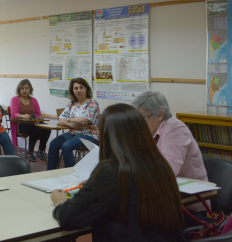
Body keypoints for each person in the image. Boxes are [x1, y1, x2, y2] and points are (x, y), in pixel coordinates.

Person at [50, 103, 184, 241]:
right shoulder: (160, 164)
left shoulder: (112, 171)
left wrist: (60, 202)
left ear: (107, 136)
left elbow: (69, 217)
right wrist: (94, 187)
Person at [131, 90, 210, 224]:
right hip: (163, 199)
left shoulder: (175, 128)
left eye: (142, 117)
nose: (138, 124)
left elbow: (167, 170)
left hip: (187, 207)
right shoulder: (150, 130)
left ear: (160, 115)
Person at [47, 78, 100, 170]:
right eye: (76, 88)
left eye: (81, 87)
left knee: (66, 146)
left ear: (86, 89)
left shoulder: (92, 103)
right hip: (73, 133)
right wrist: (74, 124)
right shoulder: (71, 104)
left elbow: (84, 122)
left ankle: (71, 174)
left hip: (90, 135)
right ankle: (50, 173)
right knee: (53, 144)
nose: (78, 90)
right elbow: (61, 120)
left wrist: (68, 119)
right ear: (73, 90)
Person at [10, 79, 51, 162]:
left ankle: (41, 150)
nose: (24, 90)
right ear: (19, 89)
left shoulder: (34, 100)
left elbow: (38, 114)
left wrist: (35, 118)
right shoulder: (15, 99)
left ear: (30, 89)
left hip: (32, 123)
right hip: (20, 124)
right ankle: (30, 152)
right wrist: (23, 116)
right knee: (36, 128)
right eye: (22, 88)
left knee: (47, 128)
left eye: (27, 88)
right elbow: (14, 114)